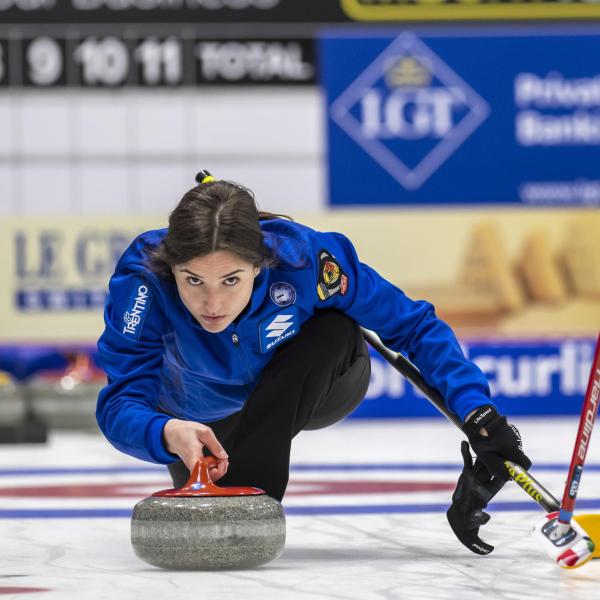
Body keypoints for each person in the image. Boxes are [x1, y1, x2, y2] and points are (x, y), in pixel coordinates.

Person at [96, 171, 531, 554]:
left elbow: (413, 326)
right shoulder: (142, 281)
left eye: (231, 280)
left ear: (260, 265)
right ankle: (233, 481)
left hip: (321, 385)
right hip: (202, 420)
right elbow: (119, 404)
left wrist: (476, 410)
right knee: (207, 503)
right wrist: (166, 431)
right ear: (171, 268)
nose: (212, 302)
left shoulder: (305, 260)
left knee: (334, 327)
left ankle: (255, 497)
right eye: (193, 280)